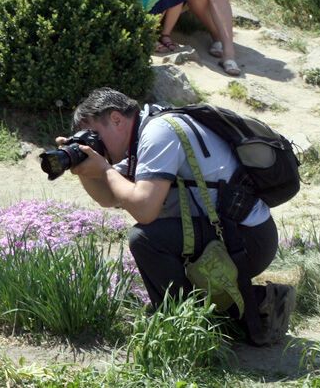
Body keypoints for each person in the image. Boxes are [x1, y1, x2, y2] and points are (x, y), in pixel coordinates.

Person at [62, 88, 295, 345]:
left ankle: (185, 328)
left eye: (93, 134)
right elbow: (109, 197)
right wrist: (82, 167)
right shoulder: (147, 130)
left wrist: (104, 169)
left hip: (247, 241)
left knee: (146, 239)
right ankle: (260, 302)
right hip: (232, 234)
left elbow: (144, 209)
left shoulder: (158, 132)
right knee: (156, 237)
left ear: (116, 118)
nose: (94, 143)